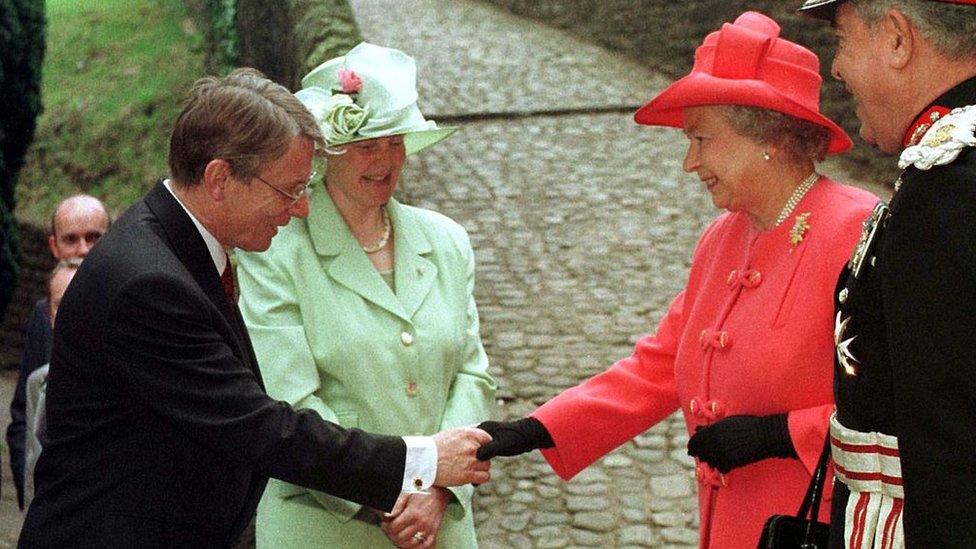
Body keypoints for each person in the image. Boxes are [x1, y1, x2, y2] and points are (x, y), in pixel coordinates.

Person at [19, 68, 491, 549]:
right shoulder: (150, 284)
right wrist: (422, 460)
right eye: (289, 190)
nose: (302, 209)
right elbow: (260, 429)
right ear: (220, 178)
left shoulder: (175, 249)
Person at [475, 12, 878, 548]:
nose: (689, 162)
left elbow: (906, 401)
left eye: (701, 139)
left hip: (817, 527)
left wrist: (780, 435)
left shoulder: (861, 230)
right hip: (729, 525)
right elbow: (660, 365)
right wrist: (540, 428)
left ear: (770, 137)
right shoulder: (722, 238)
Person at [236, 42, 495, 549]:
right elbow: (288, 401)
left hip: (438, 523)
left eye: (396, 141)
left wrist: (438, 487)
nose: (385, 160)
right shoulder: (273, 251)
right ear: (326, 151)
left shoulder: (446, 241)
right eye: (366, 144)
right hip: (323, 526)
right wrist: (397, 486)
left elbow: (472, 373)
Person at [798, 0, 976, 546]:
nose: (836, 67)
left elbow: (951, 449)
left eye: (844, 39)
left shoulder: (949, 188)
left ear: (898, 39)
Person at [5, 194, 109, 510]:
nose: (83, 250)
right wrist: (34, 492)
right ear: (53, 247)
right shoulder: (40, 316)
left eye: (94, 238)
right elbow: (24, 413)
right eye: (71, 240)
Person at [22, 257, 82, 509]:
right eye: (61, 305)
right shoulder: (37, 382)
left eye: (79, 303)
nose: (71, 313)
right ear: (49, 315)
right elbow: (31, 472)